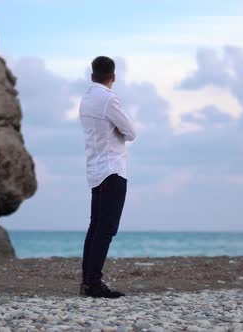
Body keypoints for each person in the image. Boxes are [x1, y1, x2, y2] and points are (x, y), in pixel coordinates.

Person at [78, 56, 136, 298]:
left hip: (95, 169)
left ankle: (87, 281)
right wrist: (118, 132)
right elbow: (131, 132)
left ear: (92, 76)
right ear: (113, 77)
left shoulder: (85, 100)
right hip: (113, 169)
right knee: (107, 229)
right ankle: (93, 283)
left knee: (95, 227)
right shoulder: (109, 99)